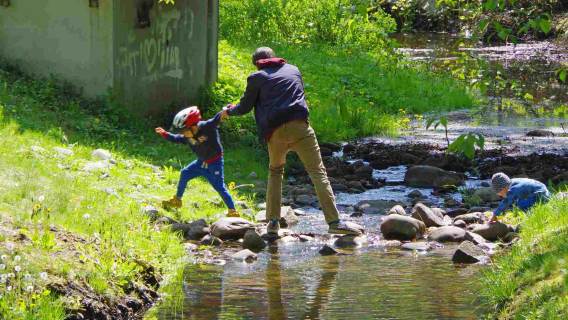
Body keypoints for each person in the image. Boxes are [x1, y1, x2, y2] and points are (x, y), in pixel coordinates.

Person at [222, 47, 364, 236]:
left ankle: (272, 223)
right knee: (318, 173)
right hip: (300, 127)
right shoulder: (293, 69)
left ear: (257, 64)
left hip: (275, 132)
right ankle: (334, 222)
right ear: (274, 58)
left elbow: (245, 107)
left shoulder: (256, 77)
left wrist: (228, 110)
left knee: (275, 171)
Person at [155, 106, 239, 217]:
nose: (183, 133)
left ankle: (233, 211)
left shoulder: (207, 127)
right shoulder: (186, 136)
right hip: (200, 162)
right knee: (185, 173)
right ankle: (177, 200)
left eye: (185, 130)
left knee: (219, 187)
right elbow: (176, 138)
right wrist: (165, 134)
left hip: (215, 164)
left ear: (194, 126)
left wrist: (227, 110)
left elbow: (217, 118)